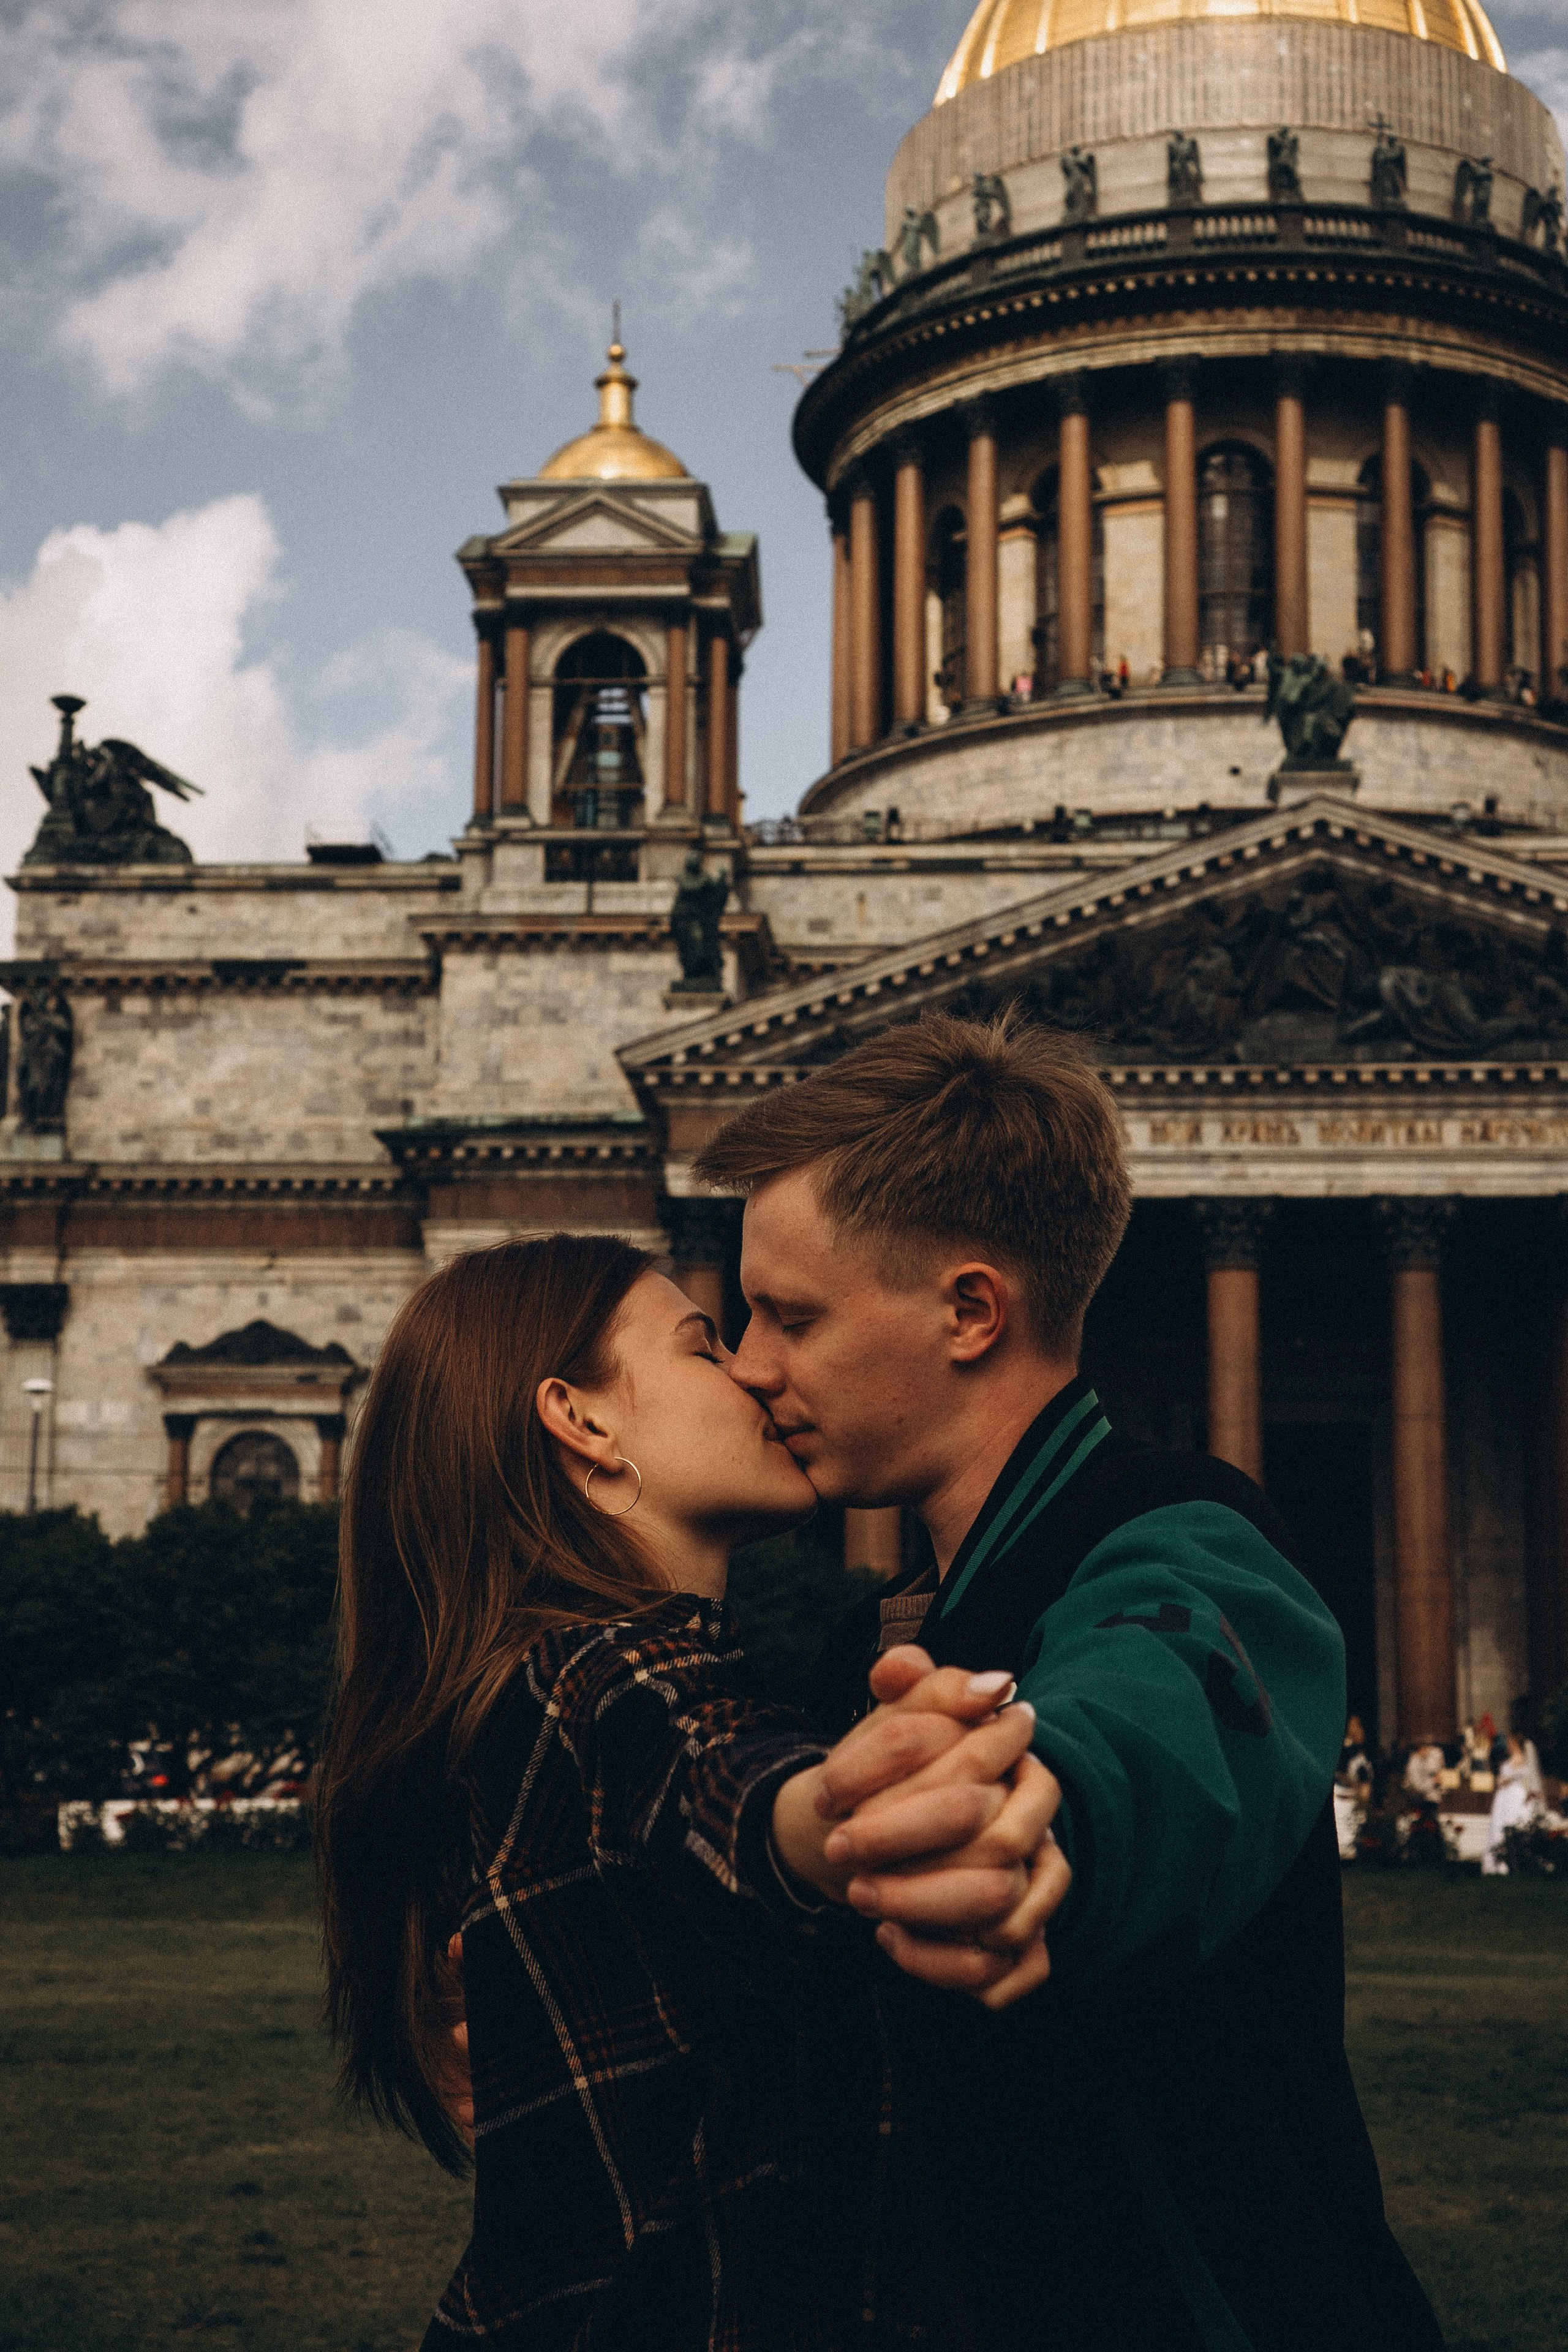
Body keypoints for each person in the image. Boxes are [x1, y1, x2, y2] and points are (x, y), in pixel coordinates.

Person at [690, 1010, 1443, 2350]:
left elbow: (1158, 1714)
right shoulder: (865, 1634)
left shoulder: (1193, 1536)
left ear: (970, 1310)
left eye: (787, 1315)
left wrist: (1039, 1808)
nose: (747, 1362)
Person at [315, 1235, 1060, 2350]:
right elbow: (725, 1783)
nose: (757, 1371)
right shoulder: (603, 1673)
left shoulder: (536, 1684)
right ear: (584, 1422)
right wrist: (845, 1816)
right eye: (704, 1345)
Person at [1482, 1731, 1540, 1874]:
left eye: (1509, 1743)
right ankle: (1498, 1862)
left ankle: (1508, 1862)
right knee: (1499, 1823)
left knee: (1510, 1821)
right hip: (1505, 1795)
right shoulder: (1512, 1758)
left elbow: (1510, 1777)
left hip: (1512, 1794)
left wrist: (1502, 1780)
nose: (1507, 1745)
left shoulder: (1519, 1758)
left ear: (1514, 1743)